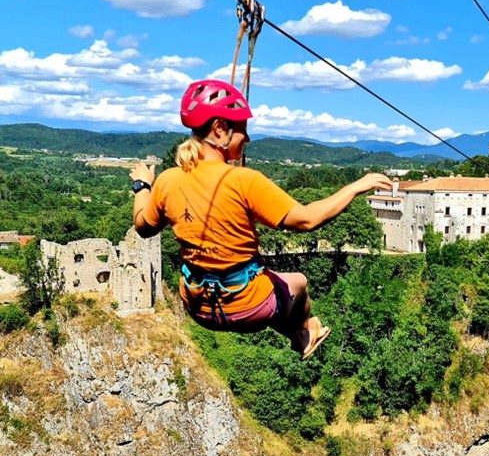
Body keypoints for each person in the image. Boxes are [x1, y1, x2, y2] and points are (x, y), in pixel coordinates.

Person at [130, 79, 392, 359]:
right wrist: (354, 187)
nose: (248, 138)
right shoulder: (244, 181)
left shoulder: (168, 180)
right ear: (220, 129)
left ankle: (301, 333)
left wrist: (142, 186)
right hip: (249, 308)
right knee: (299, 283)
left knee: (274, 286)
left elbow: (143, 227)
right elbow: (306, 220)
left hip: (199, 307)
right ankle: (302, 334)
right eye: (242, 128)